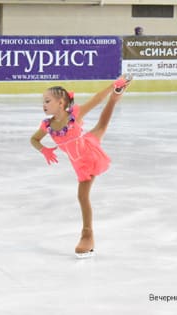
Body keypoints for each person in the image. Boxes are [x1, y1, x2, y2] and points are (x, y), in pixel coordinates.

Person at [30, 74, 132, 258]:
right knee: (102, 125)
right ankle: (116, 98)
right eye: (43, 101)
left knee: (82, 195)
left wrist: (111, 86)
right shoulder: (47, 125)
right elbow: (34, 139)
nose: (43, 105)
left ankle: (87, 235)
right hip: (83, 148)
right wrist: (44, 150)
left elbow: (95, 100)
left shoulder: (74, 115)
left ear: (61, 103)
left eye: (47, 101)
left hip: (89, 157)